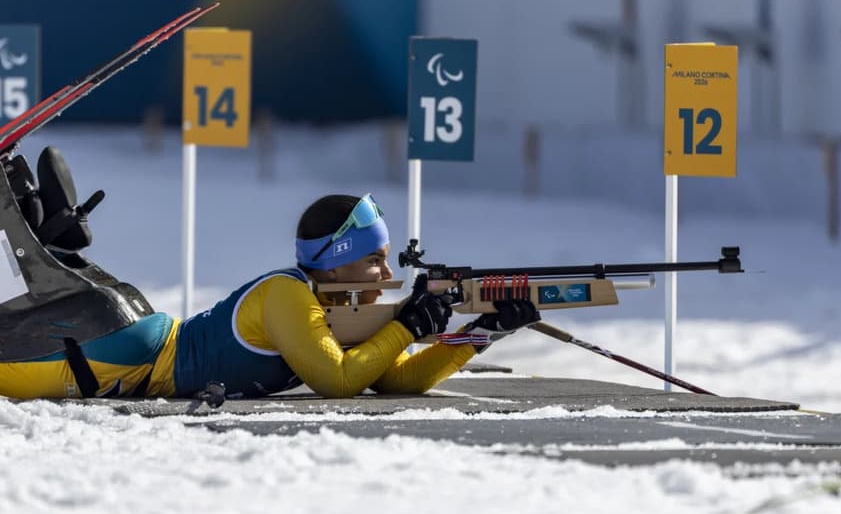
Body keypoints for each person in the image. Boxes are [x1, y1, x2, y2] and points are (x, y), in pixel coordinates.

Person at [0, 193, 540, 400]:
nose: (385, 271)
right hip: (122, 358)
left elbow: (394, 379)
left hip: (130, 349)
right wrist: (407, 326)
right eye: (373, 259)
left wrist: (478, 336)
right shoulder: (289, 296)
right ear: (336, 261)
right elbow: (340, 382)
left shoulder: (336, 308)